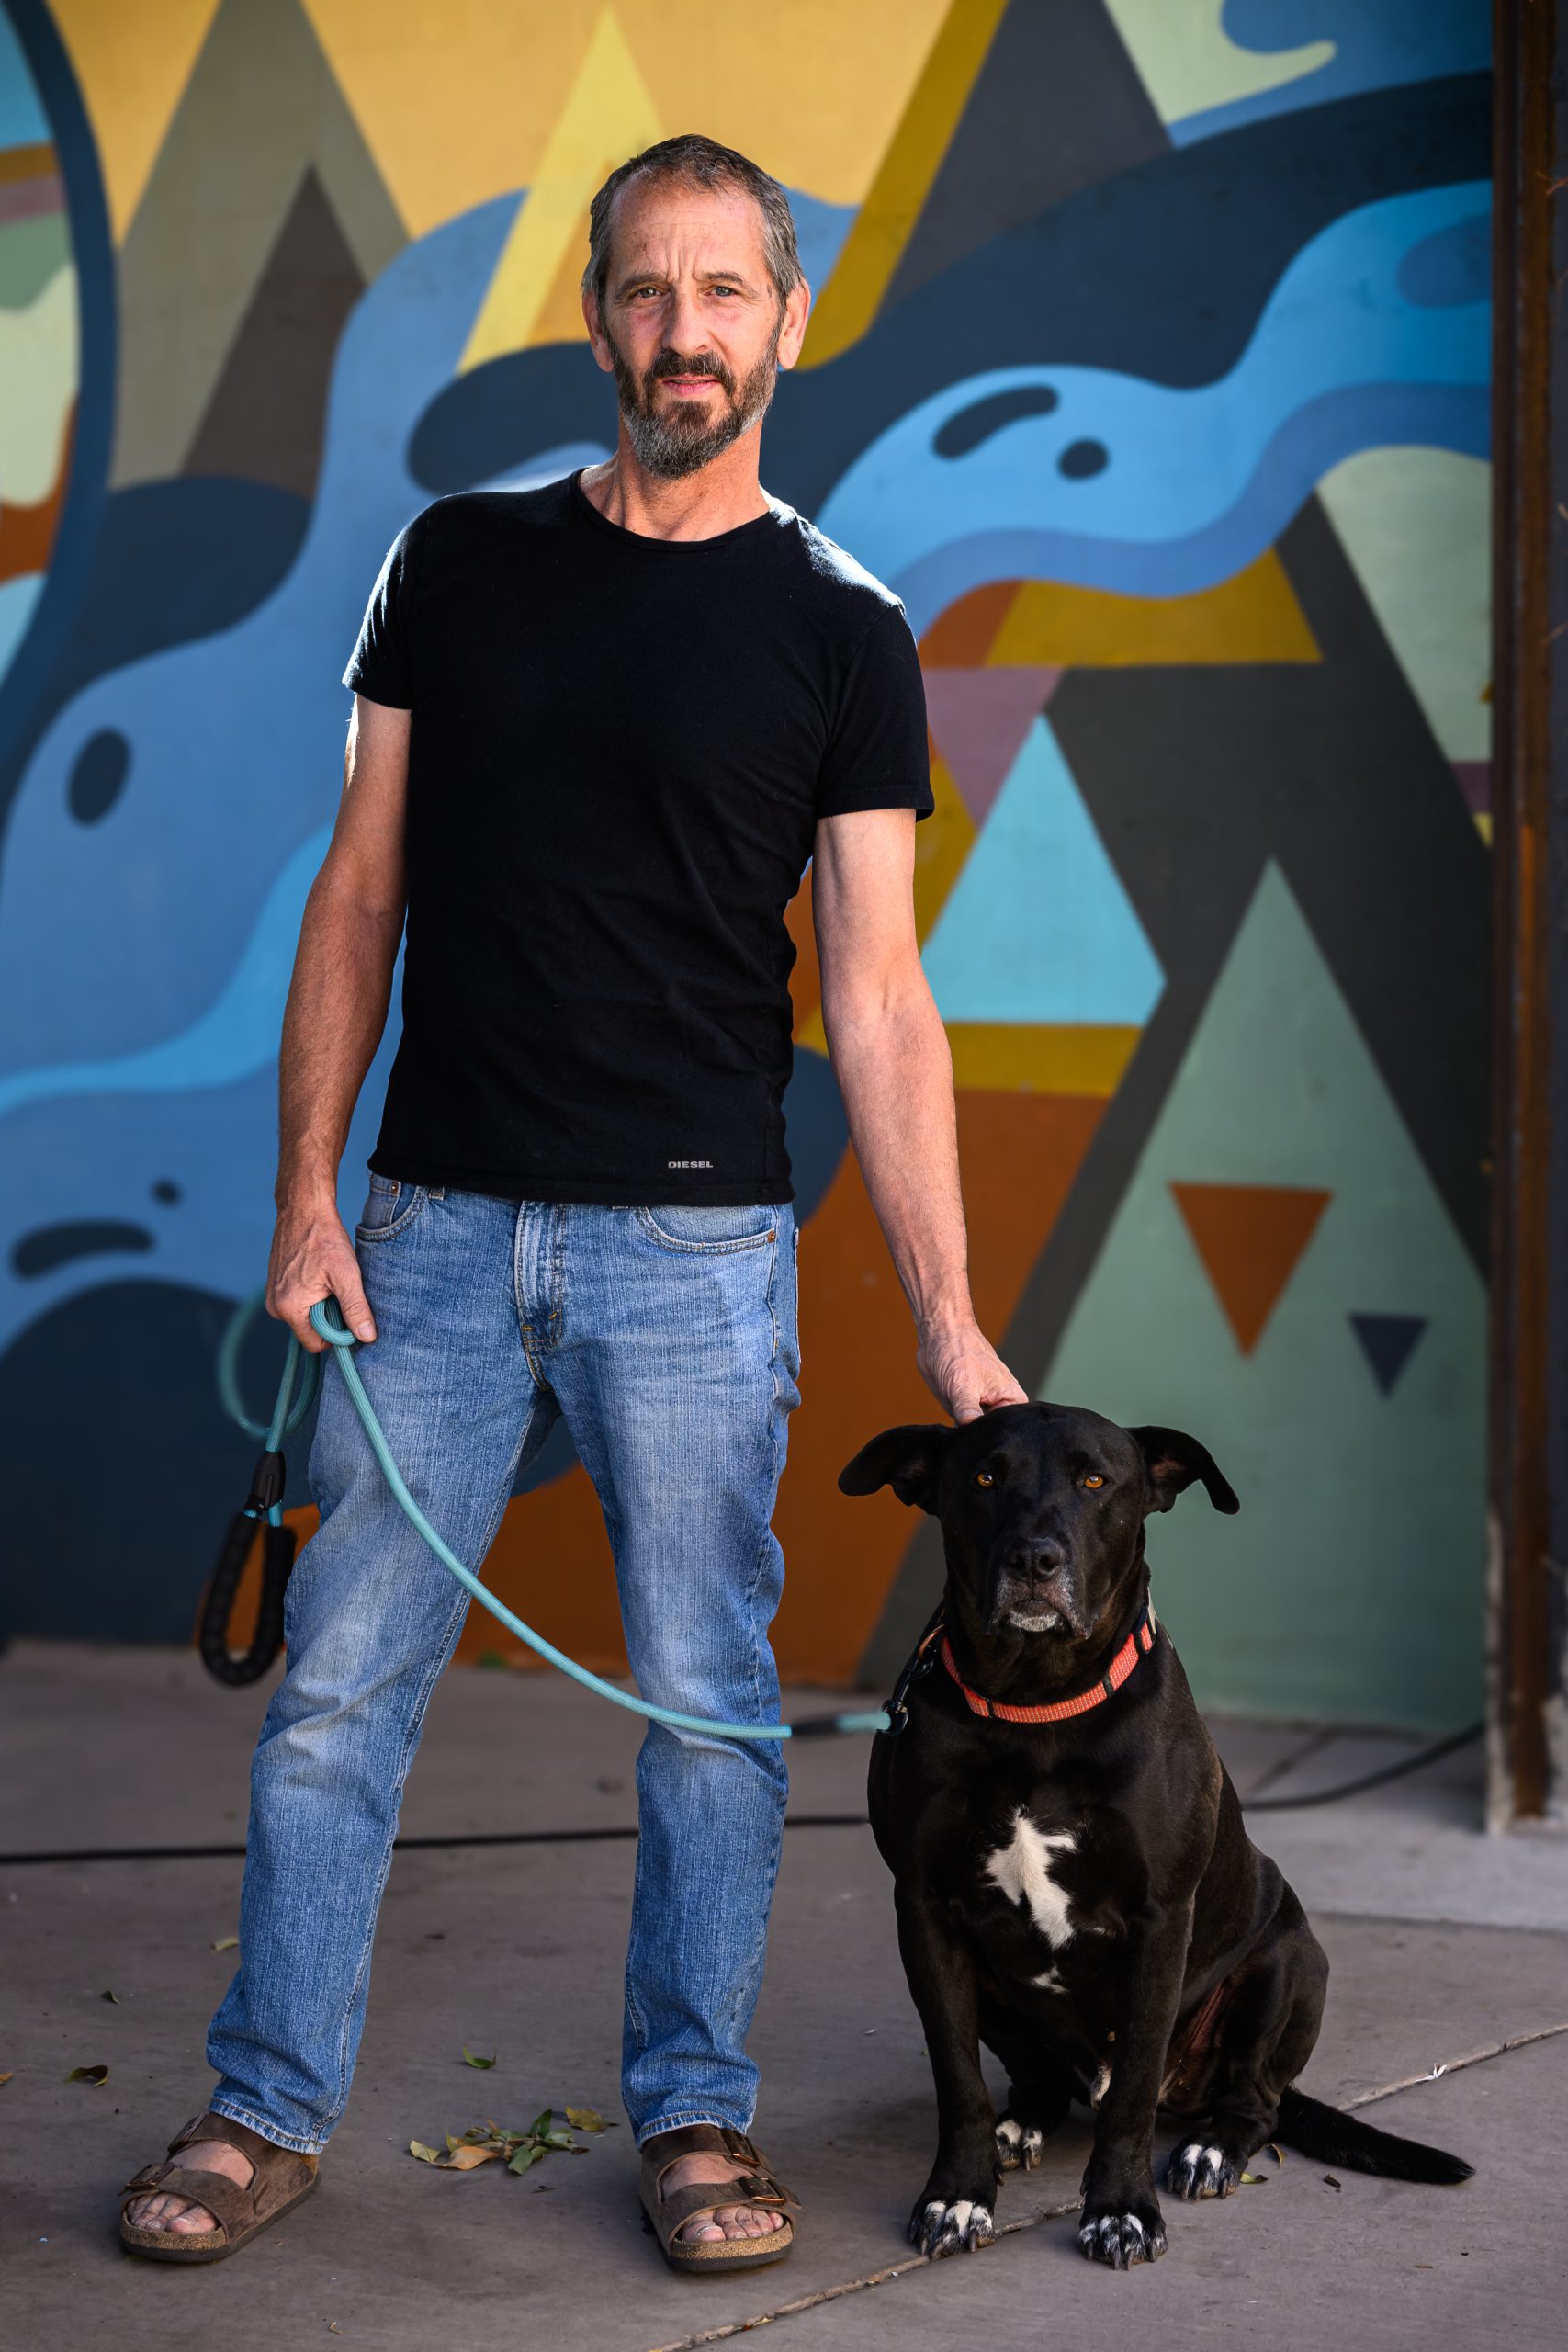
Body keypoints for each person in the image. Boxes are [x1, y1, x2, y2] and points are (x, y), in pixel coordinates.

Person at [119, 132, 1025, 2272]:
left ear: (785, 322)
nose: (680, 330)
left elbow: (879, 997)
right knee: (336, 1692)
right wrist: (305, 1197)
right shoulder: (452, 560)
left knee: (705, 1706)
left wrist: (949, 1315)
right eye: (644, 288)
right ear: (596, 317)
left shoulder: (842, 629)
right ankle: (267, 2103)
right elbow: (358, 893)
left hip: (694, 1253)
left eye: (722, 292)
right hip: (426, 1232)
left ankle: (694, 2113)